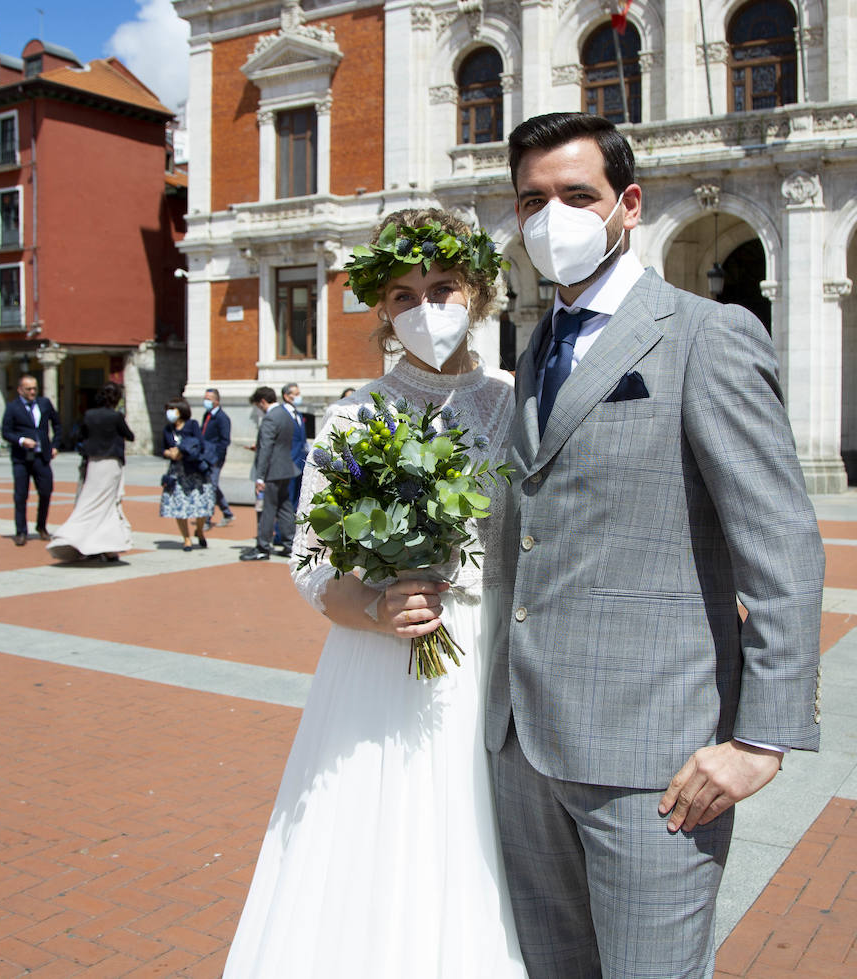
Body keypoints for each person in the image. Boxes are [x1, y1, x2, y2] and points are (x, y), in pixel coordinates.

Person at [486, 112, 826, 979]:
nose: (549, 218)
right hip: (525, 753)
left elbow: (780, 542)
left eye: (575, 195)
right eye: (532, 201)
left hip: (657, 763)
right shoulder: (533, 351)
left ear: (627, 204)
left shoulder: (705, 334)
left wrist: (762, 738)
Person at [222, 208, 526, 978]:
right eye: (401, 294)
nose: (425, 308)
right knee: (380, 841)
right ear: (381, 310)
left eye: (443, 287)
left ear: (478, 292)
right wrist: (376, 606)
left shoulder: (522, 402)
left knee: (482, 840)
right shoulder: (357, 413)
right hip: (383, 666)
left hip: (495, 656)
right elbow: (311, 562)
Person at [46, 381, 134, 562]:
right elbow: (130, 435)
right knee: (108, 505)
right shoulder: (116, 416)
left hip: (93, 463)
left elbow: (78, 435)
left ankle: (97, 546)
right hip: (111, 464)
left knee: (89, 501)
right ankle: (101, 546)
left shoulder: (89, 415)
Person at [242, 383, 302, 561]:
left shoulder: (270, 418)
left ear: (261, 402)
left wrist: (260, 476)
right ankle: (289, 544)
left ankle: (262, 547)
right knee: (285, 507)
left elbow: (266, 448)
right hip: (286, 468)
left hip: (272, 471)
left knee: (268, 509)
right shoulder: (285, 414)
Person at [1, 374, 61, 547]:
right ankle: (21, 531)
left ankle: (41, 526)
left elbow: (57, 425)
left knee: (46, 491)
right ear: (20, 389)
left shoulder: (44, 404)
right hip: (21, 458)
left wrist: (55, 445)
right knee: (21, 495)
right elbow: (6, 432)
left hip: (41, 457)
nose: (33, 392)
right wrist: (21, 440)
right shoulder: (12, 407)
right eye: (28, 389)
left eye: (35, 388)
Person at [158, 396, 215, 552]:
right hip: (177, 472)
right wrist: (169, 453)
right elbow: (162, 448)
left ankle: (200, 530)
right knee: (179, 505)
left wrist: (183, 451)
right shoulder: (167, 430)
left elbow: (200, 444)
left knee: (201, 504)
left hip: (194, 471)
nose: (169, 413)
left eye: (172, 409)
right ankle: (186, 539)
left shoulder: (192, 425)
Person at [201, 387, 236, 527]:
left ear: (216, 400)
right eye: (205, 398)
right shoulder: (207, 415)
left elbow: (224, 441)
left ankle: (207, 519)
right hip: (205, 456)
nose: (206, 401)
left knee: (210, 486)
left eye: (208, 399)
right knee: (212, 486)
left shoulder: (222, 418)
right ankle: (227, 512)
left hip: (215, 458)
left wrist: (217, 457)